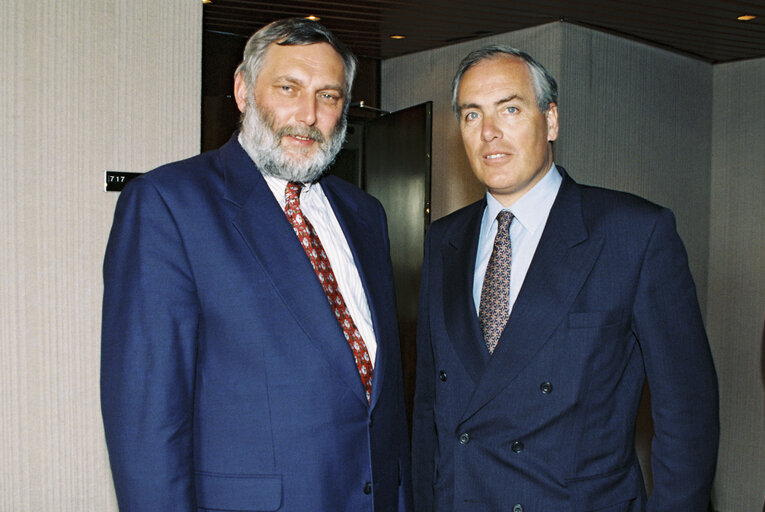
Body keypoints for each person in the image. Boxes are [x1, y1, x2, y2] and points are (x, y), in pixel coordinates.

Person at [101, 18, 412, 512]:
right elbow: (146, 420)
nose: (308, 115)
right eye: (288, 88)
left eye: (329, 96)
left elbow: (379, 399)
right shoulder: (169, 205)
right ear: (244, 90)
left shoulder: (365, 214)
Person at [412, 45, 719, 511]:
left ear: (551, 120)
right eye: (472, 116)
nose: (489, 133)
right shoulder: (443, 241)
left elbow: (688, 415)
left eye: (509, 109)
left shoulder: (633, 233)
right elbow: (428, 410)